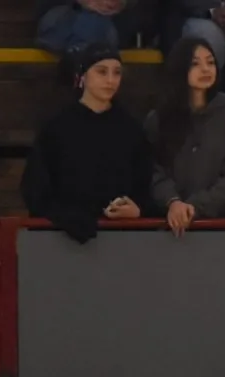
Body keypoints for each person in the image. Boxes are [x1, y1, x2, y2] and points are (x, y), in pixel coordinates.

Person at [21, 42, 153, 244]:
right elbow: (35, 190)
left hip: (122, 241)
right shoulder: (56, 127)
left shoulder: (131, 129)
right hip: (61, 241)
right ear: (82, 76)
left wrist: (138, 208)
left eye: (116, 73)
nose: (110, 80)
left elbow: (146, 184)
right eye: (102, 72)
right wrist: (65, 216)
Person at [145, 36, 225, 236]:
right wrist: (173, 201)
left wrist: (192, 207)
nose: (206, 69)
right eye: (196, 63)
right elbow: (153, 170)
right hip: (171, 226)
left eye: (210, 62)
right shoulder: (158, 118)